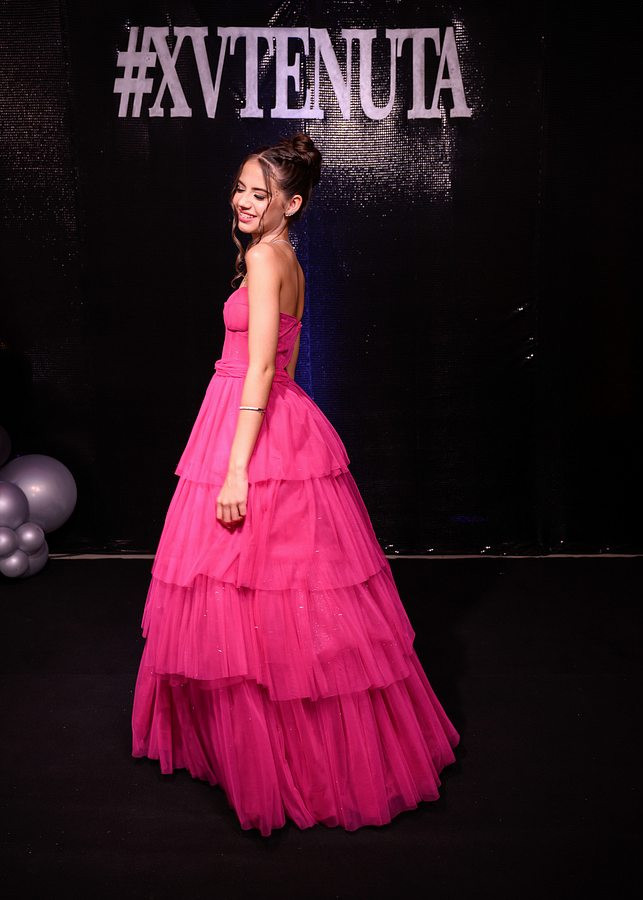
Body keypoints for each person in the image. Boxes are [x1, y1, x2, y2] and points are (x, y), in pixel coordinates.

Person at [131, 132, 460, 836]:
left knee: (244, 585)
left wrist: (236, 469)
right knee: (278, 589)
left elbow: (258, 370)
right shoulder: (289, 261)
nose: (244, 202)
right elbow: (281, 364)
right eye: (241, 189)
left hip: (248, 423)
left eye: (261, 193)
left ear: (293, 203)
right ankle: (279, 747)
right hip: (278, 417)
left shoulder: (262, 260)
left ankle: (275, 756)